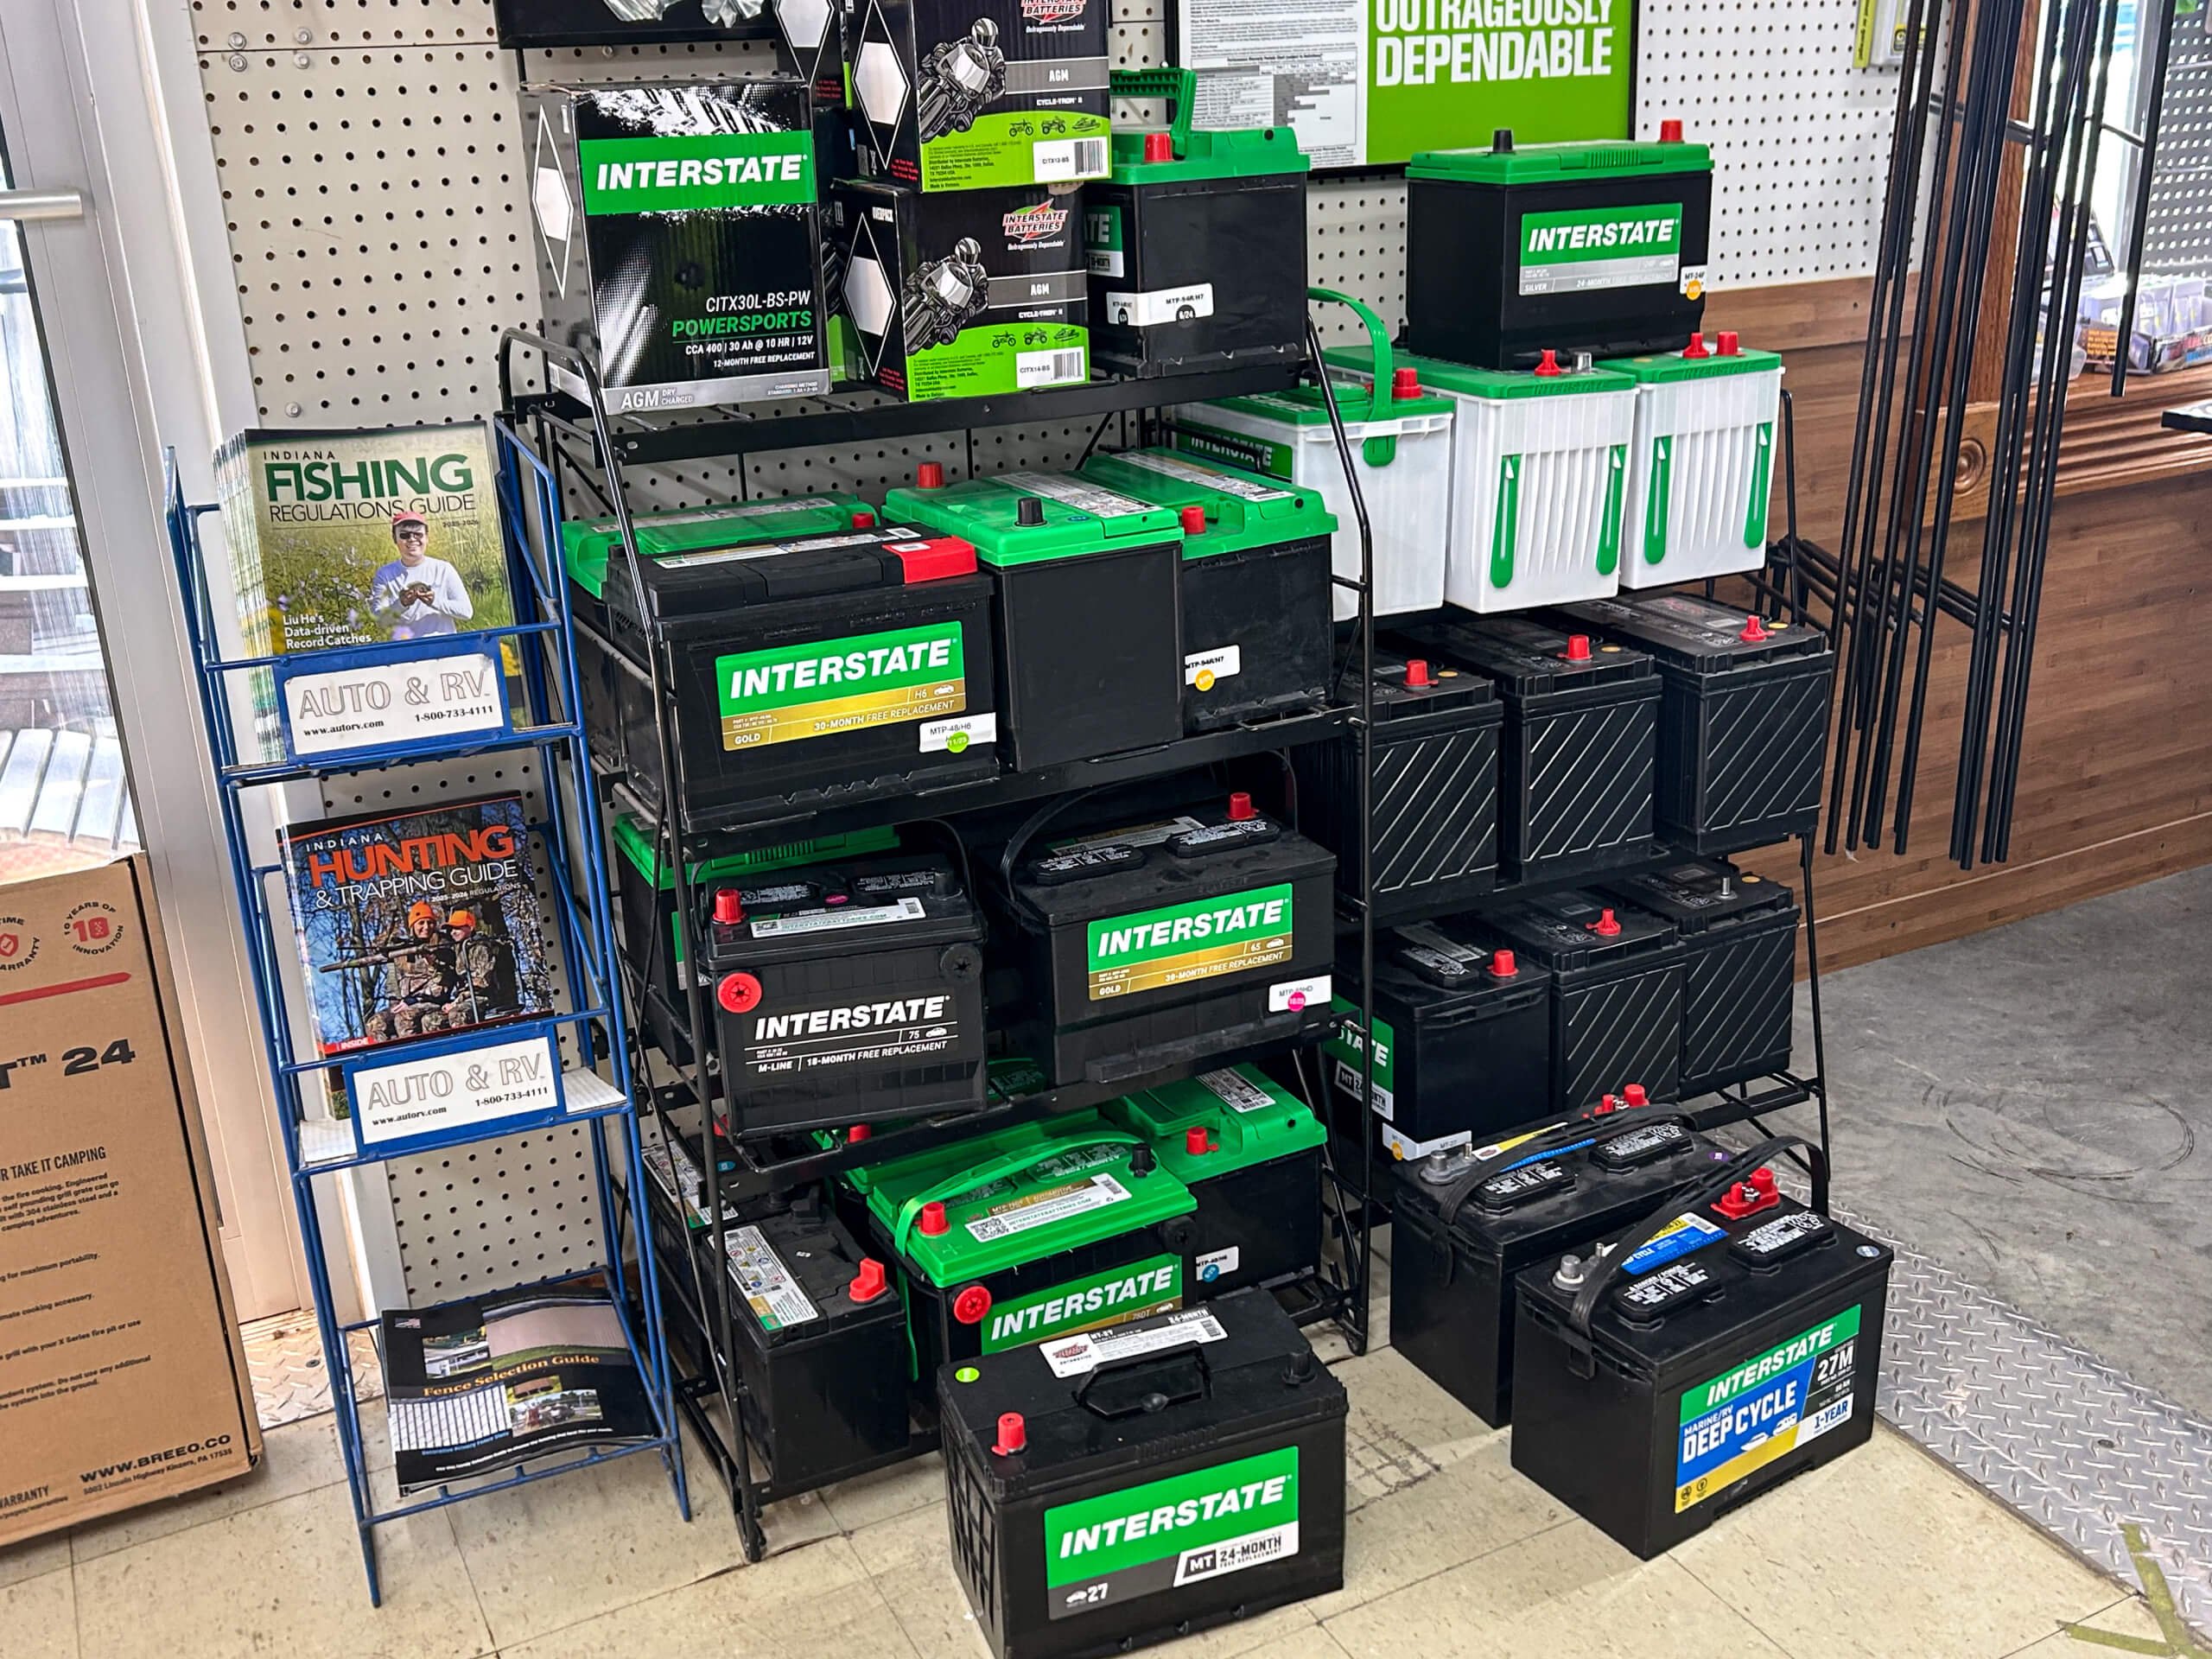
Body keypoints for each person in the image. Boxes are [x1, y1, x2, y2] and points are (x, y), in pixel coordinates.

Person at [363, 900, 457, 1042]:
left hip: (431, 1003)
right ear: (413, 926)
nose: (426, 927)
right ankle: (390, 1059)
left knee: (405, 1019)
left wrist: (413, 1000)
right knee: (374, 1023)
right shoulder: (403, 951)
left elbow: (443, 985)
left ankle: (416, 1058)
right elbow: (393, 985)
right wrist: (395, 1004)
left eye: (430, 922)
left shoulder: (444, 946)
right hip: (406, 1004)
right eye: (421, 923)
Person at [370, 511, 474, 639]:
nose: (412, 539)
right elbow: (380, 620)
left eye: (418, 534)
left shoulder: (444, 569)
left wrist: (434, 601)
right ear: (394, 538)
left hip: (444, 648)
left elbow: (466, 612)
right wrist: (401, 604)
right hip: (405, 651)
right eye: (404, 535)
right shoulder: (384, 574)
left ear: (426, 537)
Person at [441, 906, 521, 1030]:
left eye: (458, 928)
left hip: (485, 998)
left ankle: (467, 1047)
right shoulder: (460, 950)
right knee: (433, 1019)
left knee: (457, 1014)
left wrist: (456, 1002)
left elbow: (482, 983)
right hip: (466, 998)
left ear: (470, 928)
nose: (453, 932)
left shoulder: (482, 948)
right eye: (451, 929)